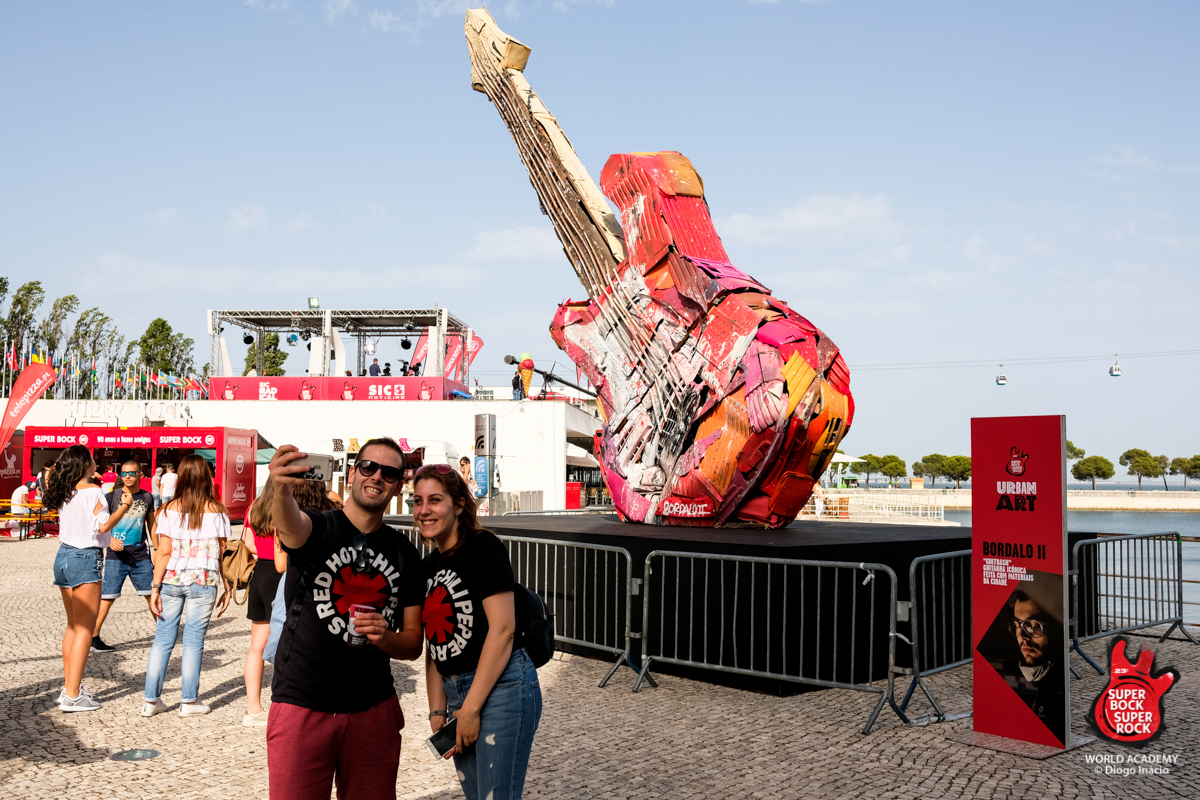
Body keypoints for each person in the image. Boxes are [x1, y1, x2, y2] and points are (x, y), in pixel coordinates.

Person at [266, 438, 425, 800]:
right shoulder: (321, 528)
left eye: (389, 472)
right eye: (368, 467)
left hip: (373, 708)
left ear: (399, 485)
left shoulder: (403, 552)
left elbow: (414, 642)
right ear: (352, 472)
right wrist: (280, 493)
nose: (377, 477)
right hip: (302, 705)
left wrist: (386, 638)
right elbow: (292, 527)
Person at [418, 464, 541, 800]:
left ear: (459, 505)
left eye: (435, 500)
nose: (423, 510)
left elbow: (503, 629)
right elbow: (435, 644)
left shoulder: (482, 546)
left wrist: (470, 708)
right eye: (417, 501)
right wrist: (437, 709)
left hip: (501, 686)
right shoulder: (428, 566)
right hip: (456, 693)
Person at [42, 444, 135, 712]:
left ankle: (70, 688)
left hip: (64, 556)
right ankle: (72, 695)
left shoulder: (66, 491)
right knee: (84, 628)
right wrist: (125, 506)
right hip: (85, 557)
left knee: (73, 627)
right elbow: (103, 526)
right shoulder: (95, 492)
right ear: (85, 465)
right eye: (93, 459)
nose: (96, 462)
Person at [240, 478, 338, 727]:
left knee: (256, 647)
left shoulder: (255, 505)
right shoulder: (287, 511)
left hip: (260, 572)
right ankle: (285, 704)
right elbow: (282, 559)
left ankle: (253, 708)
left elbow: (248, 542)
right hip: (280, 575)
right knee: (288, 643)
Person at [142, 455, 233, 717]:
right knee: (193, 642)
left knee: (162, 640)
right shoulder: (218, 511)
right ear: (207, 476)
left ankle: (150, 701)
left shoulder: (168, 509)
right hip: (204, 580)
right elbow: (222, 552)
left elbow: (163, 551)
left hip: (172, 578)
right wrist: (226, 586)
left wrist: (155, 587)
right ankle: (188, 702)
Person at [91, 460, 158, 653]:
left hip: (140, 556)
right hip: (116, 556)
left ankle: (164, 634)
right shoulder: (111, 497)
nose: (127, 476)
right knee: (108, 597)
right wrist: (109, 539)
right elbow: (98, 524)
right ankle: (94, 639)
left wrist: (157, 548)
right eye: (124, 473)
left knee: (152, 594)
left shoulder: (147, 497)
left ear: (140, 475)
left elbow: (151, 525)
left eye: (132, 473)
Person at [1009, 590, 1066, 744]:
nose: (1023, 637)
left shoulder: (1060, 686)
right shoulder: (1036, 678)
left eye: (1034, 626)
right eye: (1017, 625)